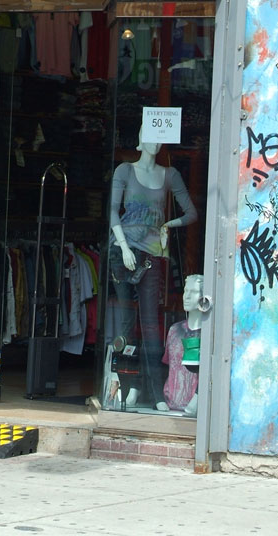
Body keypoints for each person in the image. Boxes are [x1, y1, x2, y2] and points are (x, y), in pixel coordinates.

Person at [108, 123, 198, 411]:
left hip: (152, 254)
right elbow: (112, 211)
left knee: (149, 324)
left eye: (159, 137)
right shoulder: (124, 170)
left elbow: (191, 213)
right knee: (126, 323)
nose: (155, 142)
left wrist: (167, 225)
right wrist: (123, 247)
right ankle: (129, 386)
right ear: (139, 140)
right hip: (123, 251)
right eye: (149, 135)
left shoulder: (169, 175)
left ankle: (157, 392)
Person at [163, 274, 204, 415]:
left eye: (193, 292)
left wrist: (197, 399)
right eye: (186, 291)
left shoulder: (209, 334)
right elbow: (166, 365)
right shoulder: (174, 330)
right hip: (169, 406)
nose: (187, 296)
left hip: (195, 410)